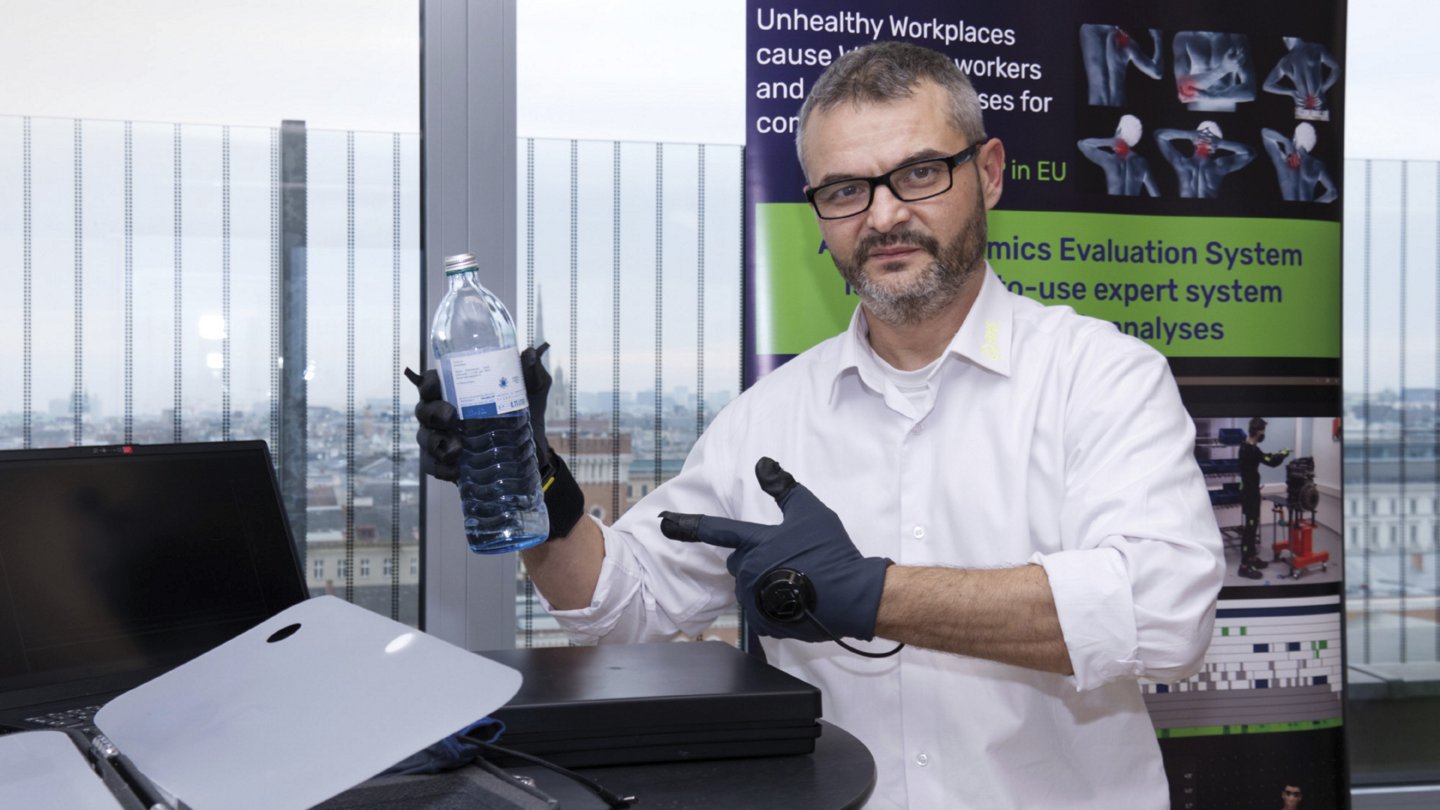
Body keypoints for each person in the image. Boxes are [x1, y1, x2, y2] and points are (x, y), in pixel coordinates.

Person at [416, 41, 1222, 809]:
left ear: (989, 173)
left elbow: (1164, 615)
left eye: (919, 173)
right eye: (845, 190)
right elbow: (626, 606)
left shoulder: (1100, 375)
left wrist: (869, 594)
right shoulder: (770, 415)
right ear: (819, 214)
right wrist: (537, 486)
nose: (883, 215)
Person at [1238, 417, 1290, 580]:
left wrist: (1274, 455)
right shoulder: (1252, 450)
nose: (1263, 434)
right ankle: (1244, 566)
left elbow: (1263, 457)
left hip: (1249, 492)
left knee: (1252, 528)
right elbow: (1271, 461)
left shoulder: (1245, 447)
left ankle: (1252, 558)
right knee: (1249, 531)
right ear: (1259, 432)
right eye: (1263, 432)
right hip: (1250, 494)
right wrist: (1283, 454)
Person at [1156, 121, 1256, 198]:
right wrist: (1191, 134)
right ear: (1194, 141)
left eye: (1209, 139)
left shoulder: (1182, 163)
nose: (1204, 140)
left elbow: (1250, 153)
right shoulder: (1218, 166)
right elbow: (1159, 135)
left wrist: (1219, 143)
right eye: (1202, 136)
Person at [1079, 24, 1163, 107]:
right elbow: (1157, 73)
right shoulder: (1124, 41)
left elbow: (1157, 74)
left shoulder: (1087, 31)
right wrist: (1157, 38)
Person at [1077, 113, 1161, 196]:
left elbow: (1082, 144)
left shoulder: (1110, 160)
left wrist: (1112, 141)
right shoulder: (1142, 163)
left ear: (1119, 131)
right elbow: (1156, 196)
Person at [1173, 31, 1257, 112]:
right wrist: (1223, 69)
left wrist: (1210, 96)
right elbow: (1182, 90)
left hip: (1227, 112)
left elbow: (1250, 92)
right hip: (1196, 112)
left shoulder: (1236, 37)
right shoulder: (1183, 37)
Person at [1263, 37, 1341, 121]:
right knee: (1321, 130)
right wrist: (1323, 88)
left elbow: (1267, 86)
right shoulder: (1316, 48)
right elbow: (1337, 68)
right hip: (1318, 102)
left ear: (1287, 40)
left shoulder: (1285, 60)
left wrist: (1291, 92)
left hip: (1302, 106)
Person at [1261, 124, 1338, 203]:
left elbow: (1265, 133)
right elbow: (1333, 192)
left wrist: (1286, 141)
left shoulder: (1283, 161)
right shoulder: (1317, 165)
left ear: (1294, 139)